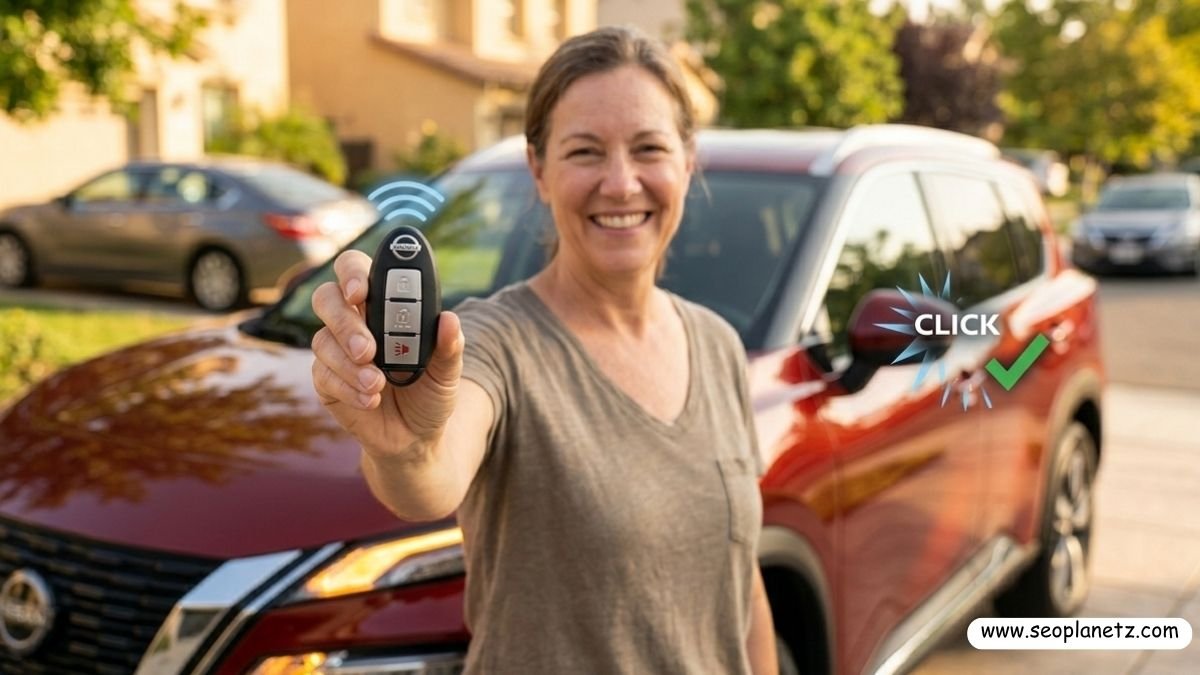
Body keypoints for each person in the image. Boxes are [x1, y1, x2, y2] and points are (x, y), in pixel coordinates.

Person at [311, 26, 777, 675]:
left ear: (687, 161)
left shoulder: (718, 344)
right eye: (585, 151)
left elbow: (741, 582)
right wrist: (406, 444)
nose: (620, 184)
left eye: (648, 148)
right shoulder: (498, 343)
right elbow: (430, 477)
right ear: (539, 171)